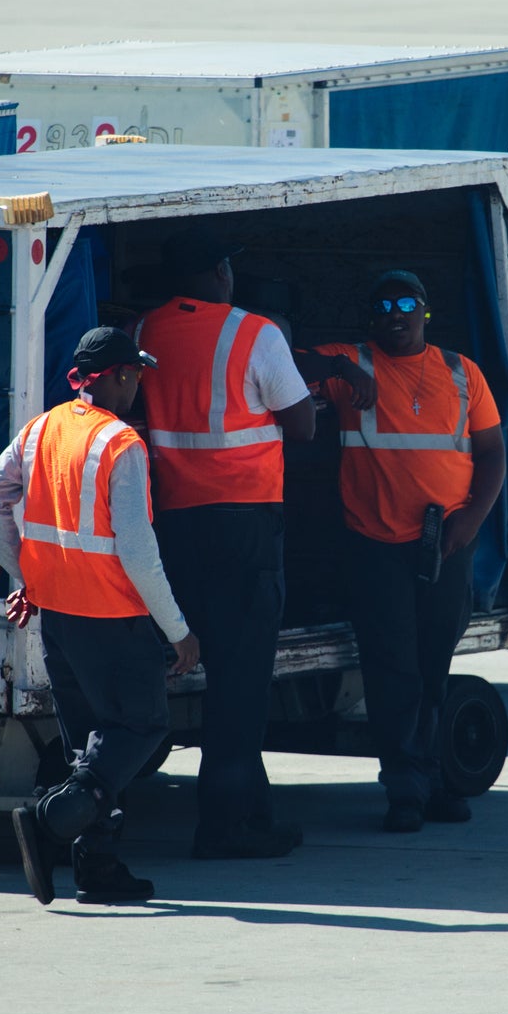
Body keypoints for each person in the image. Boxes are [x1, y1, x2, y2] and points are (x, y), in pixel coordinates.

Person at [135, 226, 371, 858]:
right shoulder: (255, 332)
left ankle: (253, 812)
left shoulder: (143, 333)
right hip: (243, 527)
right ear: (220, 274)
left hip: (173, 525)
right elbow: (300, 425)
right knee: (240, 683)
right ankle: (225, 826)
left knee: (193, 672)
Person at [0, 326, 200, 906]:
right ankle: (49, 824)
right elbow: (138, 551)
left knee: (90, 748)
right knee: (142, 727)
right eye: (137, 374)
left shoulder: (42, 428)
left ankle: (97, 868)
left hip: (62, 623)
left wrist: (26, 575)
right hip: (114, 620)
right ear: (120, 376)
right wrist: (178, 630)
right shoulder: (122, 444)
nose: (140, 384)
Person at [313, 271, 506, 832]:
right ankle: (404, 790)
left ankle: (437, 779)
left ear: (426, 310)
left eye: (406, 304)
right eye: (383, 307)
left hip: (447, 542)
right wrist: (339, 368)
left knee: (433, 668)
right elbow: (280, 357)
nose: (395, 315)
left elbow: (493, 451)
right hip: (376, 545)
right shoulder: (353, 361)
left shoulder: (461, 371)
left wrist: (472, 519)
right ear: (370, 318)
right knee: (391, 670)